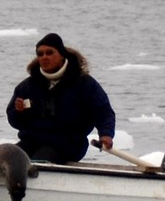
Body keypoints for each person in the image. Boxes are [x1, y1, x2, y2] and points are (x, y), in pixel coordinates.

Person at [6, 32, 116, 163]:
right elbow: (15, 122)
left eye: (49, 52)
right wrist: (18, 112)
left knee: (38, 162)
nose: (44, 57)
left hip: (68, 144)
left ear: (62, 55)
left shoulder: (84, 84)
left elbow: (103, 112)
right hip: (31, 141)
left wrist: (106, 135)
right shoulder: (26, 87)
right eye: (40, 54)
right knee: (6, 157)